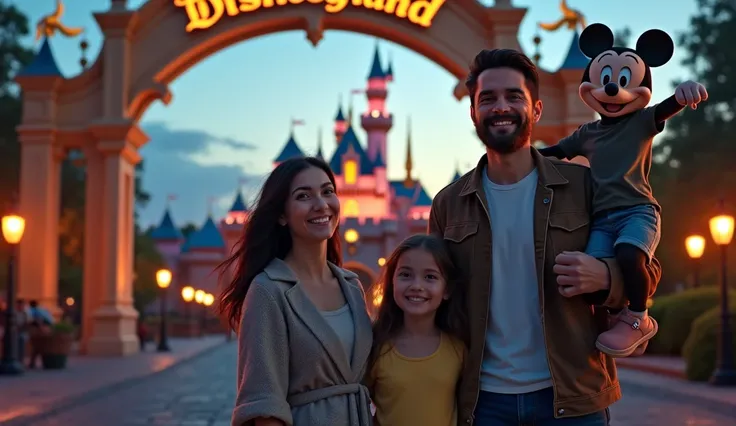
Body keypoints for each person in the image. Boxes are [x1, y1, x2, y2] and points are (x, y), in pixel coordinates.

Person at [428, 49, 663, 425]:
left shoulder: (582, 186)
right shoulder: (448, 205)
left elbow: (648, 271)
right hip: (484, 404)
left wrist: (606, 278)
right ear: (473, 112)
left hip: (573, 399)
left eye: (513, 96)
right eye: (487, 98)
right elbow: (437, 301)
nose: (500, 106)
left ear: (536, 110)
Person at [539, 23, 708, 358]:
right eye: (605, 80)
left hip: (637, 210)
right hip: (603, 218)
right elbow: (555, 151)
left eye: (623, 80)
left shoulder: (641, 122)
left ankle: (639, 319)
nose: (613, 88)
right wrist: (518, 155)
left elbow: (666, 107)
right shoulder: (587, 133)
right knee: (593, 279)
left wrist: (684, 90)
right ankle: (621, 319)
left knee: (631, 255)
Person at [218, 156, 374, 426]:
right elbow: (264, 405)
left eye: (328, 192)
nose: (321, 205)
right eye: (304, 196)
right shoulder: (268, 291)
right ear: (281, 214)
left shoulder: (352, 287)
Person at [365, 234, 467, 426]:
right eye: (405, 275)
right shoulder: (375, 346)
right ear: (392, 281)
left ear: (447, 289)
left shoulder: (459, 348)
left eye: (430, 277)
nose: (416, 286)